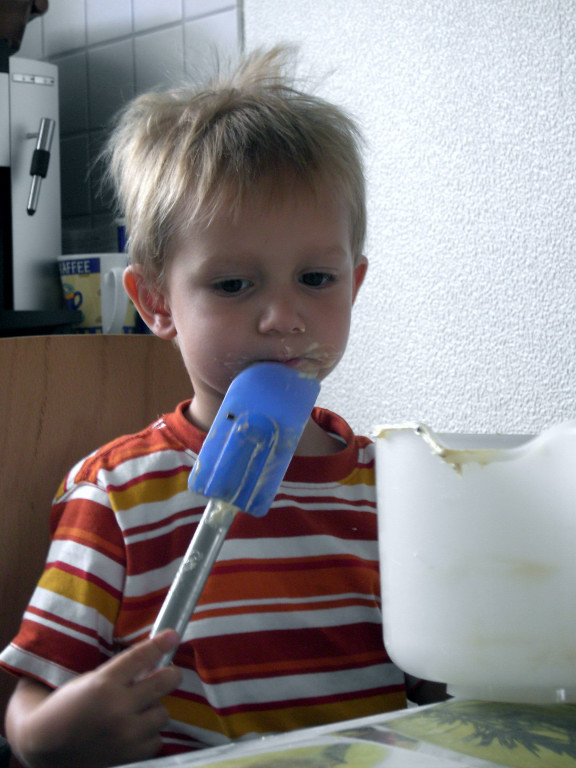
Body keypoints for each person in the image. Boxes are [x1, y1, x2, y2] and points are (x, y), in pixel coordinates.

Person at [0, 46, 443, 768]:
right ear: (155, 302)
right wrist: (53, 737)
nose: (283, 317)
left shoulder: (393, 487)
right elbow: (27, 709)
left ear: (355, 285)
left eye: (316, 278)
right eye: (234, 285)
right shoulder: (115, 496)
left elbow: (438, 684)